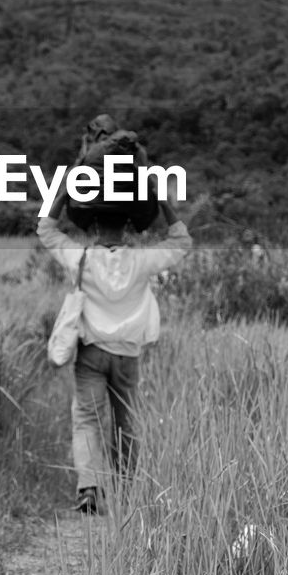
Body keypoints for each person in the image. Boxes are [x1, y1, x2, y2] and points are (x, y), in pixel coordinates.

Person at [36, 176, 191, 514]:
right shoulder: (141, 262)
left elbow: (46, 230)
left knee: (88, 419)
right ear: (127, 227)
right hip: (128, 355)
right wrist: (162, 199)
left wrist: (62, 192)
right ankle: (126, 490)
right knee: (126, 422)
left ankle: (89, 488)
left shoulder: (81, 258)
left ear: (93, 225)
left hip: (91, 353)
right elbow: (181, 242)